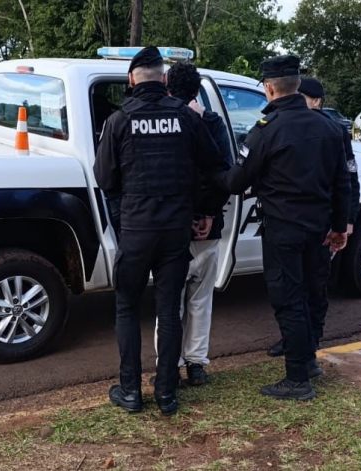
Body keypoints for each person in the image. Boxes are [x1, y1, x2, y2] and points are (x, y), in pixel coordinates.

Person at [94, 47, 225, 415]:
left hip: (136, 231)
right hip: (174, 233)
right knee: (169, 312)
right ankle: (167, 393)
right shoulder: (186, 118)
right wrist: (202, 211)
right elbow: (213, 167)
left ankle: (131, 392)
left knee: (127, 308)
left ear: (132, 79)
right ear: (163, 79)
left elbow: (104, 177)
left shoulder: (120, 121)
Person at [216, 55, 351, 400]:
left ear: (270, 88)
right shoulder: (330, 128)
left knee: (288, 298)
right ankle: (308, 363)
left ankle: (297, 379)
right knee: (310, 294)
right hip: (320, 228)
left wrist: (211, 176)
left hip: (284, 229)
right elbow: (342, 184)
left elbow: (237, 181)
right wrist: (339, 227)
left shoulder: (266, 130)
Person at [266, 78, 361, 377]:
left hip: (325, 222)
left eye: (305, 97)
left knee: (315, 288)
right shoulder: (283, 123)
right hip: (303, 221)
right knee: (294, 289)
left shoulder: (333, 130)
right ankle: (297, 344)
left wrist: (346, 220)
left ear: (317, 101)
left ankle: (310, 346)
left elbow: (348, 178)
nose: (299, 100)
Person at [151, 61, 234, 387]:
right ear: (197, 89)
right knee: (200, 299)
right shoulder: (211, 123)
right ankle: (196, 365)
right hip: (207, 226)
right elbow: (222, 174)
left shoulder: (159, 122)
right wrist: (209, 214)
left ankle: (168, 364)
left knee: (168, 303)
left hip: (170, 226)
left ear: (168, 86)